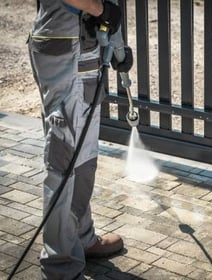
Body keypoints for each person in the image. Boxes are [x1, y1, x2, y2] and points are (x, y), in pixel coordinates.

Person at [28, 0, 133, 279]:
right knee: (63, 161)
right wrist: (103, 11)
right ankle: (60, 264)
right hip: (67, 49)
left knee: (82, 157)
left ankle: (81, 237)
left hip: (77, 49)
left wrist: (113, 38)